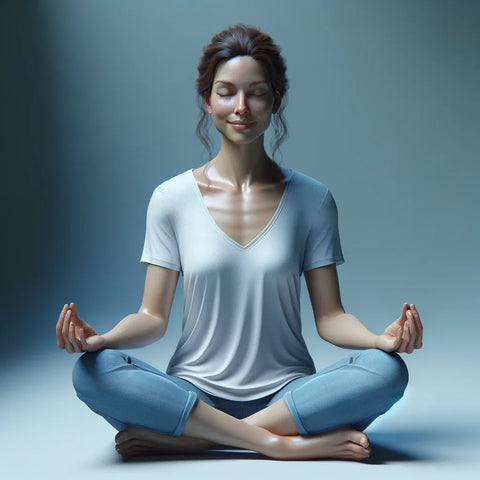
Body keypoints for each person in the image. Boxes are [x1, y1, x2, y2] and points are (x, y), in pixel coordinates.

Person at [56, 24, 423, 461]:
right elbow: (152, 317)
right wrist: (102, 341)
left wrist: (379, 341)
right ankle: (275, 444)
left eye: (257, 93)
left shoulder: (313, 200)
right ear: (207, 100)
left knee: (386, 372)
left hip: (288, 397)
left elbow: (331, 318)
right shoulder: (171, 199)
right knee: (92, 373)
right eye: (226, 92)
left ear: (276, 102)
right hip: (192, 393)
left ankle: (195, 439)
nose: (241, 107)